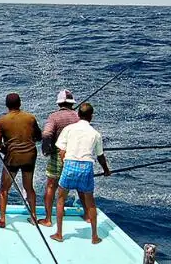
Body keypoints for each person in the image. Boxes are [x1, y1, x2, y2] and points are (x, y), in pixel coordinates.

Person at [50, 102, 111, 244]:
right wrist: (106, 170)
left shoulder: (69, 129)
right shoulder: (95, 133)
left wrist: (65, 162)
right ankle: (94, 237)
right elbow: (100, 156)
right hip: (86, 168)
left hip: (70, 165)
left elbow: (61, 150)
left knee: (60, 200)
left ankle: (59, 234)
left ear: (78, 115)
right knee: (90, 203)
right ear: (91, 117)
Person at [38, 89, 88, 227]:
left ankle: (48, 219)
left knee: (51, 186)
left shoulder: (53, 117)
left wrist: (46, 149)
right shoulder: (79, 117)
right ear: (72, 103)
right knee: (80, 187)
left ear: (59, 103)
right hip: (77, 157)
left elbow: (47, 134)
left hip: (57, 156)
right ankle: (88, 216)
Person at [0, 92, 42, 227]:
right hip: (30, 156)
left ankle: (2, 219)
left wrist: (4, 149)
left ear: (7, 105)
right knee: (29, 187)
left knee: (4, 189)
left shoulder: (1, 121)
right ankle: (34, 217)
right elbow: (39, 136)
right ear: (20, 104)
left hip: (12, 158)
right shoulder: (30, 118)